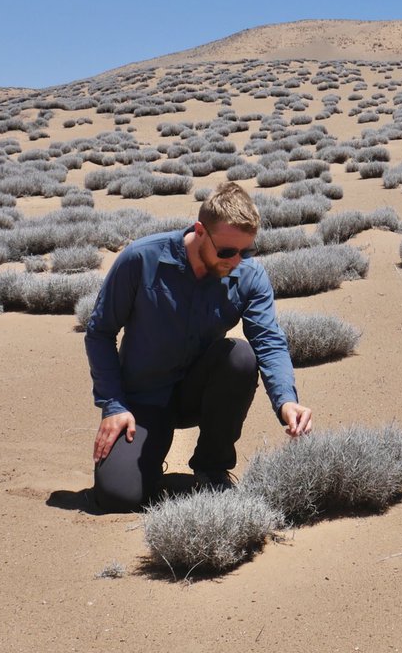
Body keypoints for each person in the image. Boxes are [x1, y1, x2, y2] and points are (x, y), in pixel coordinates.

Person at [85, 182, 312, 511]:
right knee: (118, 497)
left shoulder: (249, 275)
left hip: (198, 391)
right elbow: (100, 332)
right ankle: (149, 455)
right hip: (143, 399)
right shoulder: (141, 259)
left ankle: (212, 466)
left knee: (241, 357)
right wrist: (114, 405)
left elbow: (269, 340)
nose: (236, 261)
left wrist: (287, 402)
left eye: (245, 251)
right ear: (200, 231)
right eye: (226, 252)